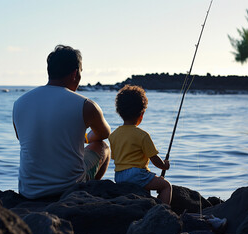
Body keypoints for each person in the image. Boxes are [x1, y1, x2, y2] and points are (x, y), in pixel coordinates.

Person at [13, 45, 111, 199]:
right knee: (103, 147)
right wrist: (86, 138)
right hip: (68, 189)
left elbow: (23, 138)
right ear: (75, 73)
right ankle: (88, 192)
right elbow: (104, 134)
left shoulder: (20, 102)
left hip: (28, 192)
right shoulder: (85, 105)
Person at [108, 85, 172, 204]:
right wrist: (164, 166)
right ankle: (163, 211)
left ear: (119, 112)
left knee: (145, 189)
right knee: (166, 186)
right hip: (136, 175)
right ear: (141, 114)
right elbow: (154, 159)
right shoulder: (142, 135)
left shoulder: (113, 135)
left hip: (119, 176)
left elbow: (117, 158)